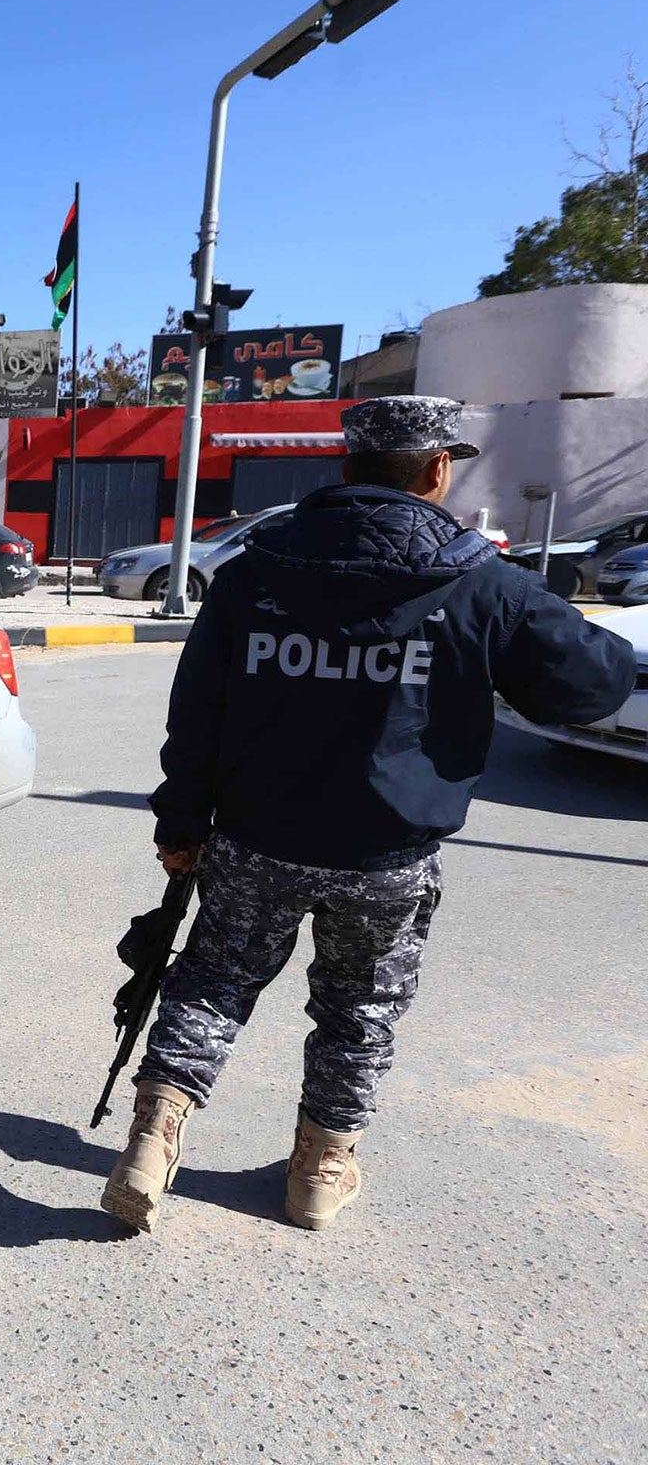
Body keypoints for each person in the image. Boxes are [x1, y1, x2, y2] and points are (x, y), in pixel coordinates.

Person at [101, 395, 634, 1236]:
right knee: (359, 1009)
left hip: (254, 838)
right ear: (436, 470)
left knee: (210, 987)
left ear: (346, 467)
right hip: (387, 853)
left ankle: (149, 1140)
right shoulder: (480, 581)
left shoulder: (253, 569)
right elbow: (591, 684)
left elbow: (195, 710)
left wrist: (178, 823)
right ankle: (318, 1172)